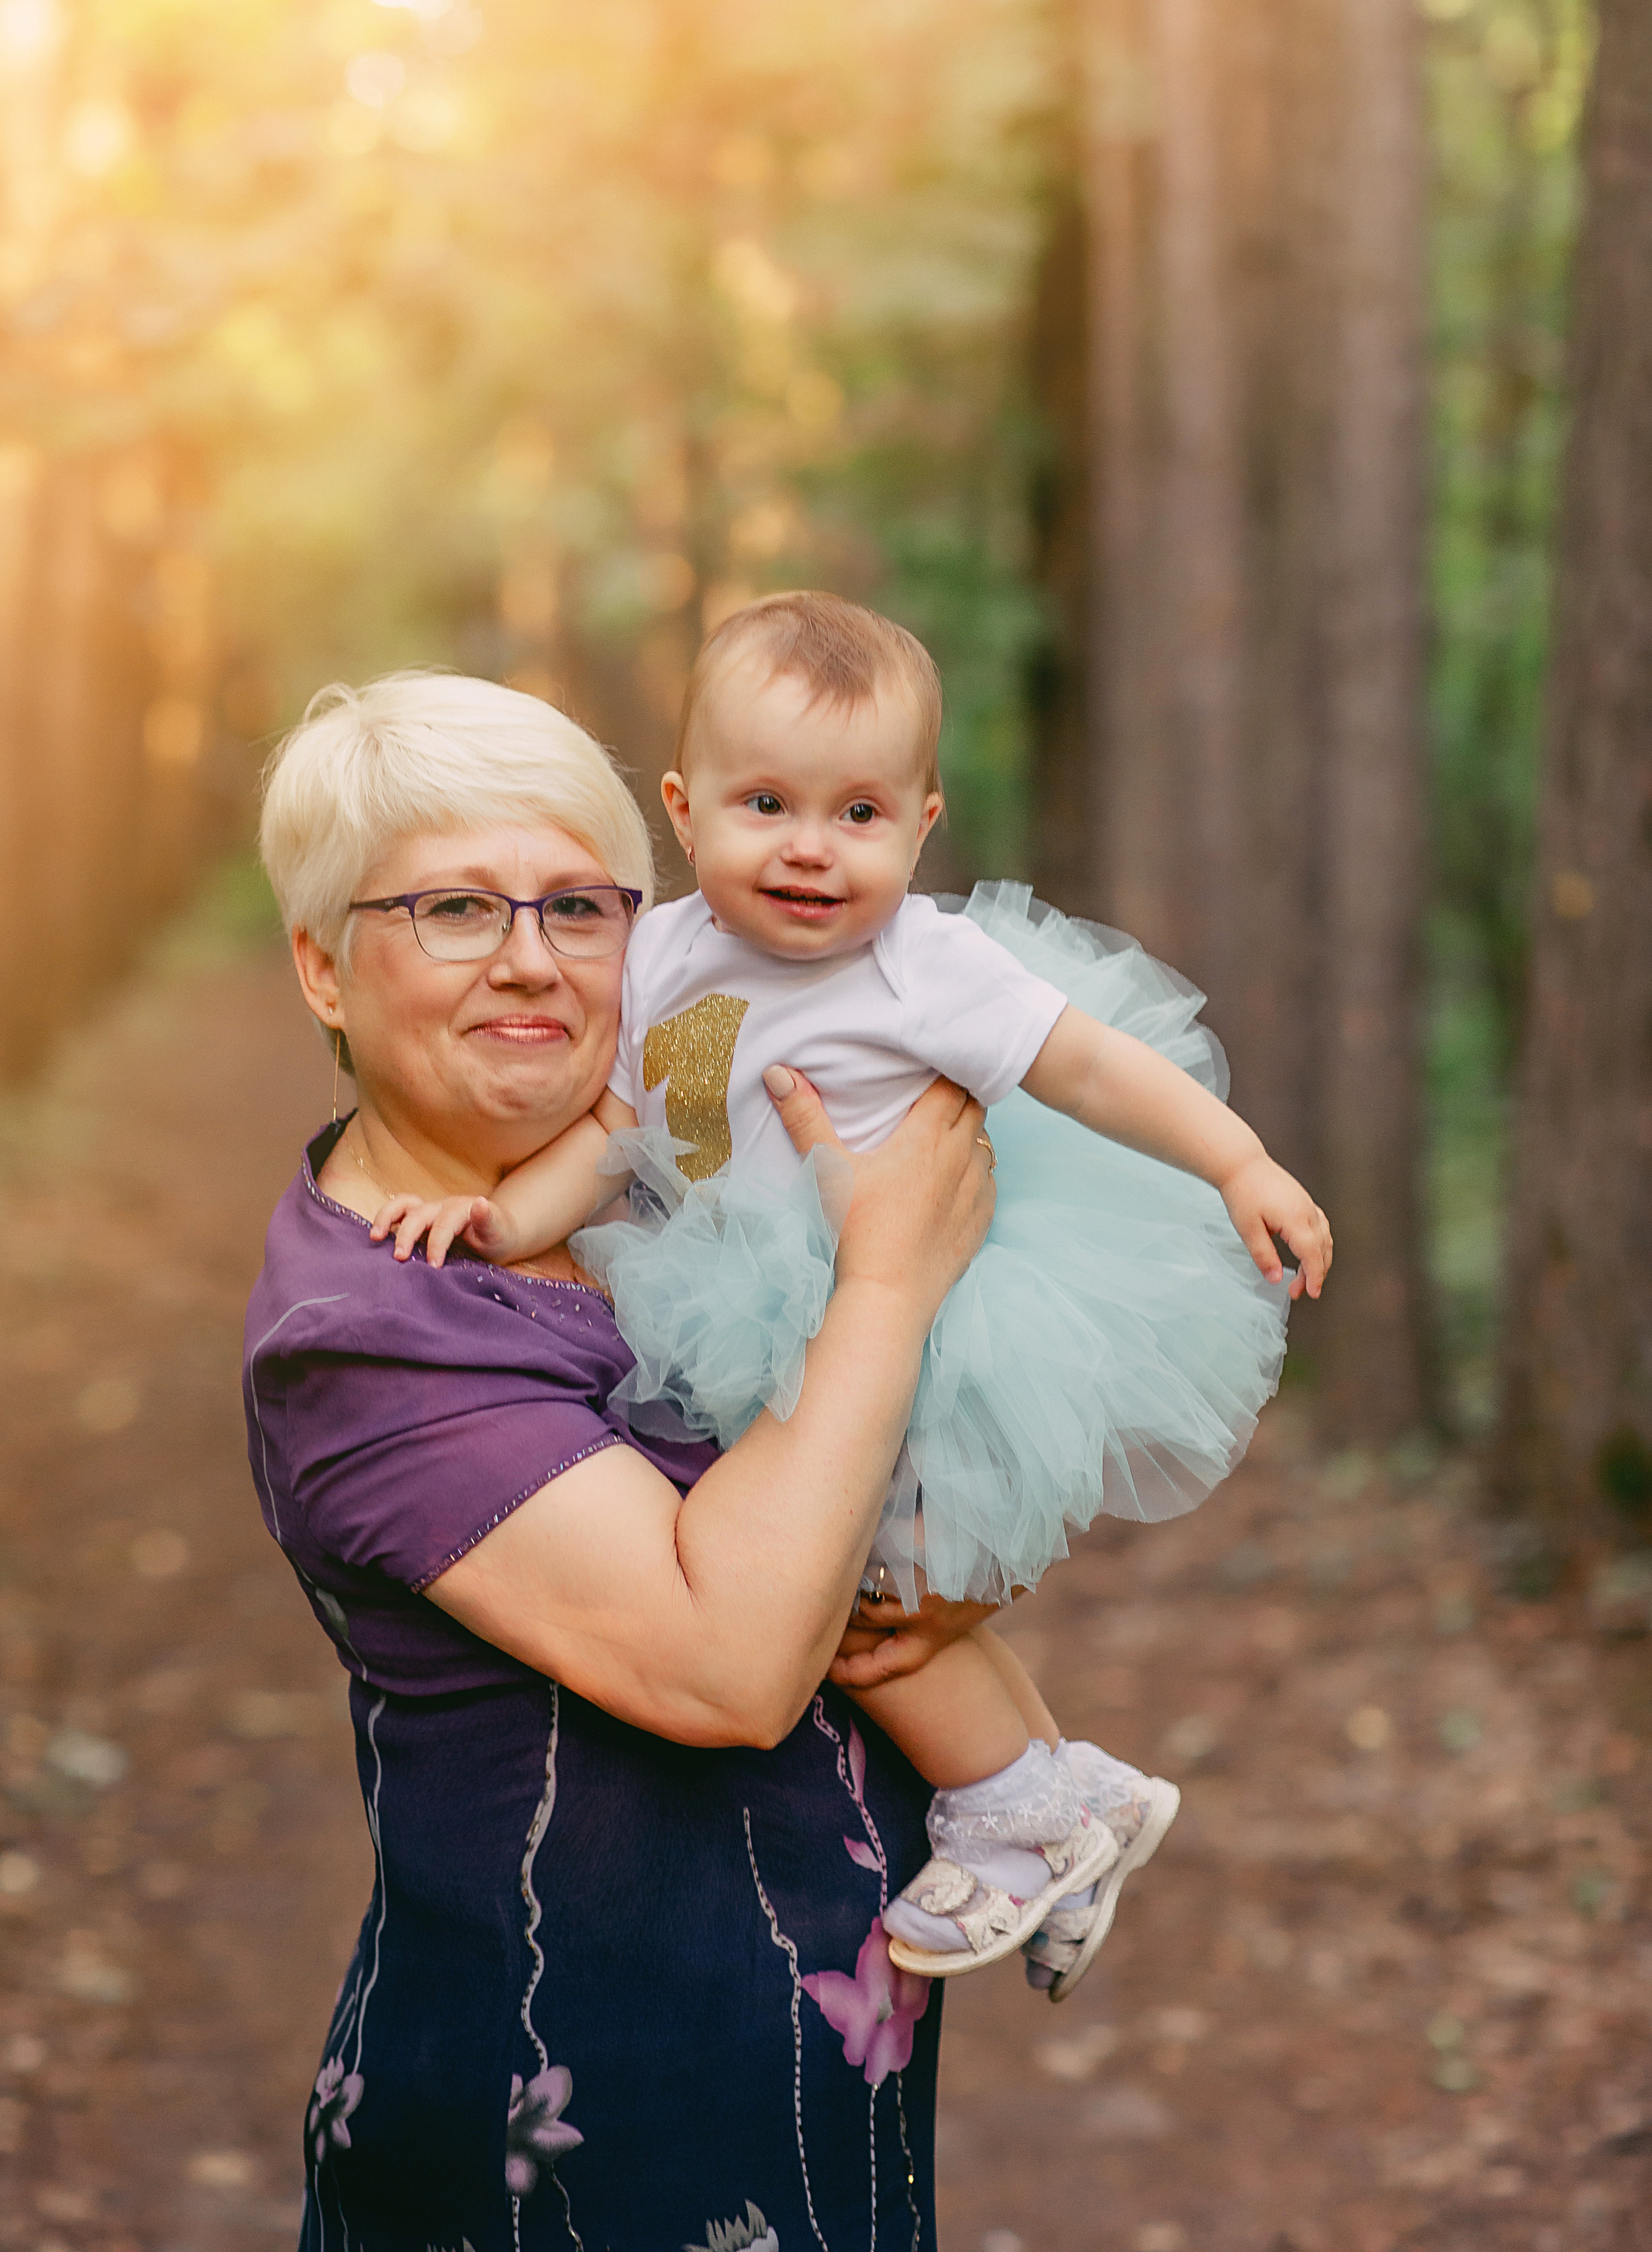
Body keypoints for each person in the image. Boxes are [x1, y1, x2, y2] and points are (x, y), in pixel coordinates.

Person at [368, 597, 1333, 1987]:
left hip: (921, 1317)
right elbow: (610, 1135)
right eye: (767, 803)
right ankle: (1067, 1796)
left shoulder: (922, 968)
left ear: (923, 823)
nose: (810, 846)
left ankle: (1014, 1810)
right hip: (761, 1309)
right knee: (872, 1576)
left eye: (859, 813)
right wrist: (498, 1213)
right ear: (684, 813)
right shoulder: (660, 957)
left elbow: (1089, 1069)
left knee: (868, 1605)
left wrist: (1234, 1160)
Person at [243, 667, 1032, 2252]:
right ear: (325, 969)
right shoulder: (368, 1329)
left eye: (583, 908)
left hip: (814, 2083)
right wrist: (887, 1283)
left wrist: (943, 1580)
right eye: (455, 908)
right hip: (563, 2145)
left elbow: (876, 1507)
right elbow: (732, 1666)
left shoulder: (659, 1197)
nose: (531, 961)